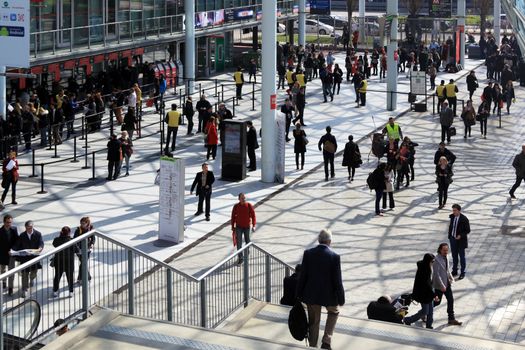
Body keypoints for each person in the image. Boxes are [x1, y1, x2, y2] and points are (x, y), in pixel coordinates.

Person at [296, 229, 345, 349]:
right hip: (329, 295)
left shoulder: (308, 253)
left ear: (319, 240)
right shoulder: (334, 257)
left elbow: (303, 276)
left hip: (311, 294)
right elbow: (337, 280)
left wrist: (298, 293)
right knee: (334, 312)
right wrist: (341, 298)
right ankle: (326, 340)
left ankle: (313, 345)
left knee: (314, 321)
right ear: (329, 241)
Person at [403, 253, 436, 329]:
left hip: (429, 292)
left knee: (430, 310)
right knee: (425, 311)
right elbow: (426, 285)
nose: (433, 263)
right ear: (428, 261)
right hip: (424, 295)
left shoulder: (427, 267)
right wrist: (434, 295)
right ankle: (408, 320)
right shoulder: (424, 270)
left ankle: (429, 325)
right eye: (432, 261)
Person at [433, 243, 463, 326]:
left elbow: (446, 270)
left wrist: (451, 278)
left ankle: (451, 319)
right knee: (437, 302)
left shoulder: (446, 256)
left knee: (450, 300)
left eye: (447, 250)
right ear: (440, 250)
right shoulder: (436, 260)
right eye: (444, 250)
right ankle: (424, 312)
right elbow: (436, 274)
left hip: (447, 283)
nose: (446, 252)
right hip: (439, 285)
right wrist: (442, 285)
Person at [12, 220, 44, 298]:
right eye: (28, 228)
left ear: (33, 226)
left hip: (34, 257)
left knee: (34, 272)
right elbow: (17, 244)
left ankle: (32, 278)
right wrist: (12, 250)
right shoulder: (22, 235)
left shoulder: (38, 234)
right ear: (25, 227)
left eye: (30, 227)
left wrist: (40, 248)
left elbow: (41, 243)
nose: (29, 229)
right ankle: (24, 289)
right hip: (25, 258)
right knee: (24, 274)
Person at [52, 226, 78, 298]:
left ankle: (55, 291)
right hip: (69, 262)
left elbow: (54, 244)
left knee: (57, 276)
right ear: (69, 232)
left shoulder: (57, 240)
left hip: (59, 261)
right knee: (70, 277)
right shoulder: (72, 241)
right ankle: (71, 291)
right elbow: (77, 250)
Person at [231, 193, 256, 265]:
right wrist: (232, 227)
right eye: (242, 198)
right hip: (238, 227)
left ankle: (247, 252)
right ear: (239, 199)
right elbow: (233, 217)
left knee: (247, 240)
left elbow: (253, 215)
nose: (244, 199)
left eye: (244, 198)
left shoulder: (249, 205)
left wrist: (254, 225)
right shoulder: (236, 206)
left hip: (247, 227)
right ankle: (240, 258)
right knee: (239, 243)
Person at [448, 204, 470, 279]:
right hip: (453, 239)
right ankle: (454, 271)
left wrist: (460, 235)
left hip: (461, 241)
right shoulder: (452, 217)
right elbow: (451, 227)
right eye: (453, 210)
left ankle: (462, 272)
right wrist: (450, 236)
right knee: (454, 256)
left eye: (455, 210)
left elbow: (467, 230)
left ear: (459, 210)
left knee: (462, 257)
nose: (453, 212)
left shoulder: (464, 219)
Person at [0, 214, 18, 296]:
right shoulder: (0, 231)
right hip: (2, 254)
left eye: (10, 222)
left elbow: (17, 241)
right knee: (3, 270)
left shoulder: (14, 229)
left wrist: (13, 249)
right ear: (4, 222)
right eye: (7, 222)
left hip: (11, 254)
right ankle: (4, 282)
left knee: (11, 272)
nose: (9, 224)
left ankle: (10, 288)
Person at [74, 217, 95, 283]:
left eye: (83, 223)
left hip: (87, 249)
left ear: (87, 223)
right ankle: (88, 278)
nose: (81, 224)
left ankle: (80, 279)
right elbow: (75, 240)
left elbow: (93, 238)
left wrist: (92, 244)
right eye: (81, 223)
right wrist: (77, 249)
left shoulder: (90, 229)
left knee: (83, 263)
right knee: (83, 263)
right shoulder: (78, 230)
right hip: (79, 250)